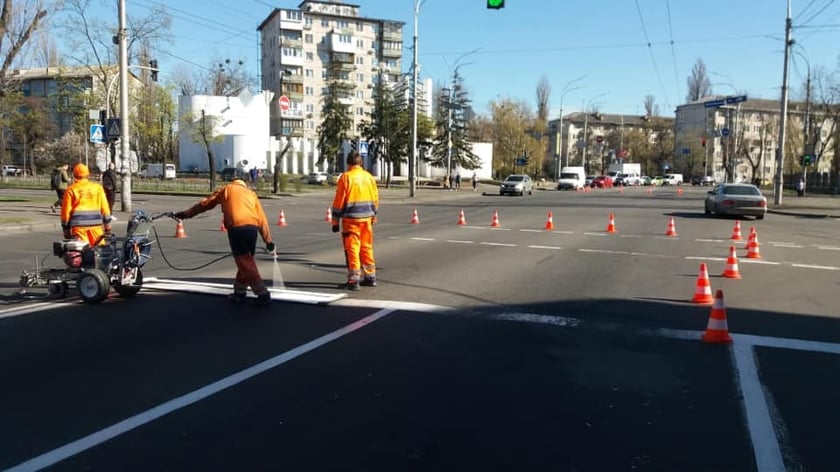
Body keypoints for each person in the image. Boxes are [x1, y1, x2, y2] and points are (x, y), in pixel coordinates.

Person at [174, 178, 275, 305]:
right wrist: (268, 241)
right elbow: (262, 220)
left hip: (237, 227)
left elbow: (206, 203)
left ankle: (262, 293)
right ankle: (240, 292)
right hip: (252, 229)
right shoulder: (251, 194)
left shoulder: (227, 189)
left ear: (233, 182)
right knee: (246, 261)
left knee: (244, 261)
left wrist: (186, 214)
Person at [331, 151, 379, 291]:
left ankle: (354, 280)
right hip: (367, 218)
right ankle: (370, 277)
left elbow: (339, 201)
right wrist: (374, 216)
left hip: (351, 219)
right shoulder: (369, 177)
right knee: (366, 247)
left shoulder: (346, 178)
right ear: (361, 163)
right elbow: (375, 198)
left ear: (348, 163)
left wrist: (335, 222)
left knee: (353, 248)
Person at [60, 163, 112, 247]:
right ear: (88, 174)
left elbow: (65, 212)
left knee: (81, 251)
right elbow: (105, 208)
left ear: (74, 175)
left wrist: (66, 229)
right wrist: (108, 227)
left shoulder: (71, 190)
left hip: (79, 227)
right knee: (98, 251)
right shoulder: (97, 188)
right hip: (96, 225)